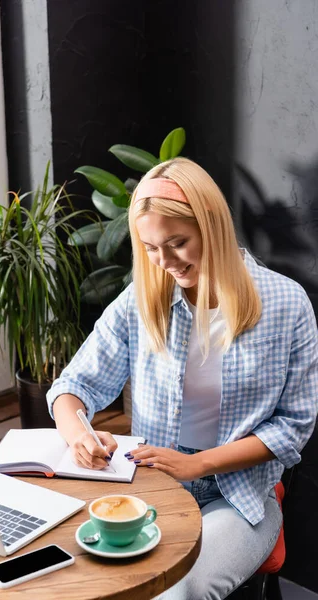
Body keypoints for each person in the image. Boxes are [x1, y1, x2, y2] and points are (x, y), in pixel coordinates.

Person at [47, 157, 318, 599]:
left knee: (178, 592)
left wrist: (199, 463)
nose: (164, 261)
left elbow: (293, 428)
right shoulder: (143, 297)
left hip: (241, 497)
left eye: (177, 242)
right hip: (152, 485)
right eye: (150, 248)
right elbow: (74, 385)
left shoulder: (286, 305)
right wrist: (79, 433)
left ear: (211, 226)